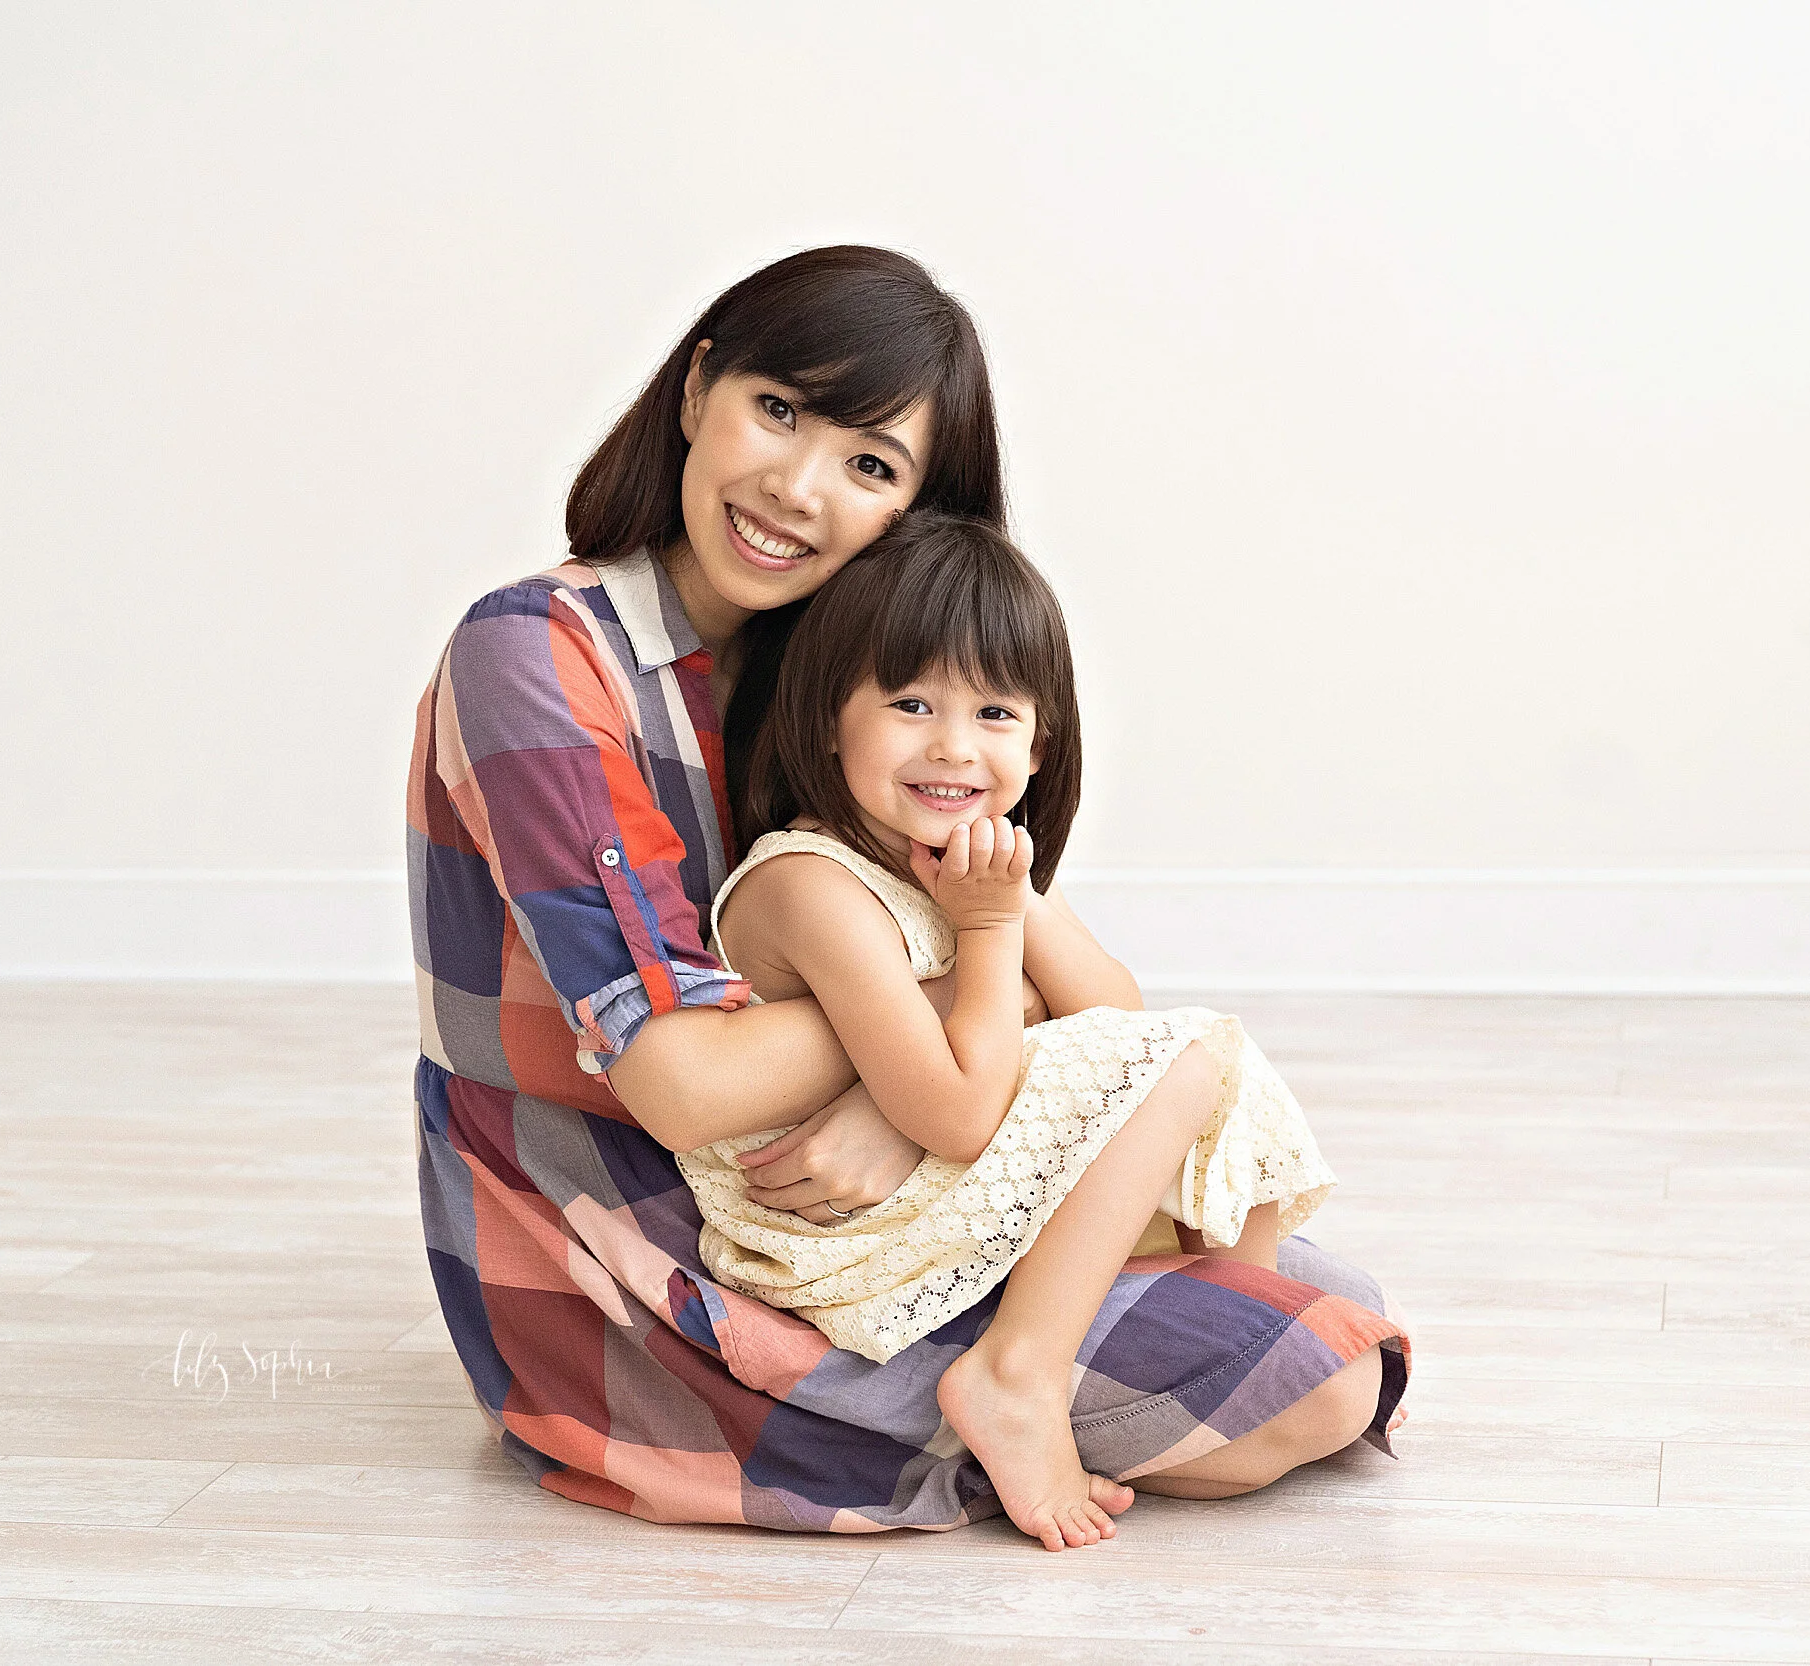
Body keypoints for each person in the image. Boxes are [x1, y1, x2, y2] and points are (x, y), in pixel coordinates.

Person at [409, 245, 1408, 1532]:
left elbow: (1060, 996)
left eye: (871, 465)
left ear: (920, 510)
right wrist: (917, 1049)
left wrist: (911, 1088)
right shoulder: (538, 652)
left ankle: (1013, 1381)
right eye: (777, 409)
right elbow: (682, 1083)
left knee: (1326, 1301)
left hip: (865, 1197)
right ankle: (989, 1401)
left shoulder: (850, 674)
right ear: (697, 388)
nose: (797, 488)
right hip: (636, 1240)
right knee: (1314, 1375)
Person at [675, 513, 1337, 1549]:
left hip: (928, 1183)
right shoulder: (812, 885)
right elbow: (957, 1112)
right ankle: (1016, 1374)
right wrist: (988, 933)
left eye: (993, 711)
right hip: (834, 1232)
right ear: (829, 721)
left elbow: (1114, 1011)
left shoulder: (977, 858)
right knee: (1181, 1063)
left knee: (1212, 1057)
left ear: (1039, 741)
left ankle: (1217, 1299)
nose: (953, 745)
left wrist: (1013, 905)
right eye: (910, 704)